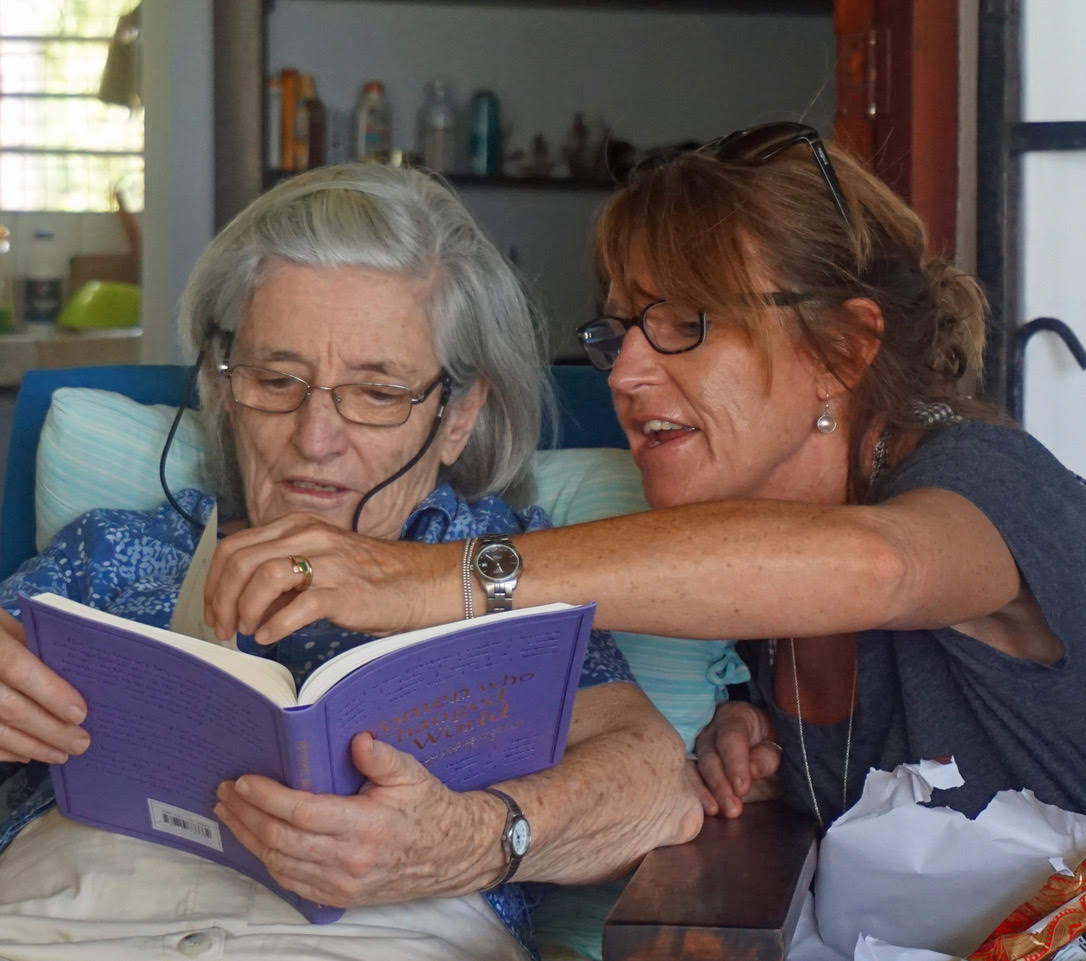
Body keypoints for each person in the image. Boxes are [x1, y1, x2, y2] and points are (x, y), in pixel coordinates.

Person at [203, 123, 1086, 835]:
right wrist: (746, 733)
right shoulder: (741, 533)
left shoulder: (986, 477)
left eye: (687, 325)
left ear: (843, 349)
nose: (624, 373)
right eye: (621, 329)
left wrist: (427, 577)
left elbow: (878, 567)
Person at [0, 163, 701, 961]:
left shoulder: (504, 568)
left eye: (376, 393)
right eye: (276, 378)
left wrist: (465, 837)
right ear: (225, 389)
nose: (315, 438)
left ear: (457, 418)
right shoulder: (108, 554)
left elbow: (658, 786)